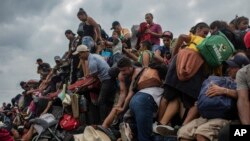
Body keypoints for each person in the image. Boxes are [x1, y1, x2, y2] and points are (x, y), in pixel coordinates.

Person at [178, 53, 250, 141]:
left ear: (241, 68)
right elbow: (198, 103)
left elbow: (244, 97)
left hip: (225, 117)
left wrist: (223, 91)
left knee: (202, 133)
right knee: (183, 133)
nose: (229, 69)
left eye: (233, 67)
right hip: (205, 116)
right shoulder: (219, 79)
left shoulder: (244, 79)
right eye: (229, 66)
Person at [73, 45, 116, 123]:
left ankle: (104, 122)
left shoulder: (91, 62)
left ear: (84, 53)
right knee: (107, 100)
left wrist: (82, 86)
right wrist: (85, 78)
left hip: (107, 80)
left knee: (101, 101)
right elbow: (94, 73)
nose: (79, 57)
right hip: (108, 78)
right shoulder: (95, 56)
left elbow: (94, 78)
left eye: (79, 54)